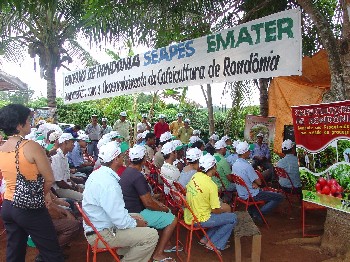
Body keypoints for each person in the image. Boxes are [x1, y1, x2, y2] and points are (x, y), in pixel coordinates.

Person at [0, 104, 64, 262]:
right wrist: (41, 195)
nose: (31, 123)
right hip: (28, 207)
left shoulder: (2, 148)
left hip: (8, 206)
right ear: (19, 125)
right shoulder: (31, 146)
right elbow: (49, 179)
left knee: (14, 253)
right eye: (28, 120)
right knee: (52, 253)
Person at [83, 141, 158, 262]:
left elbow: (117, 215)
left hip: (98, 225)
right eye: (122, 155)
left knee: (138, 217)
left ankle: (126, 253)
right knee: (151, 235)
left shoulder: (97, 174)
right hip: (102, 233)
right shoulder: (109, 184)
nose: (125, 157)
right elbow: (121, 221)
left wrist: (135, 221)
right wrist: (136, 224)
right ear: (116, 159)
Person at [119, 145, 178, 262]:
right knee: (172, 219)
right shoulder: (137, 176)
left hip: (128, 209)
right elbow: (148, 203)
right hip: (136, 213)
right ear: (144, 160)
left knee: (166, 211)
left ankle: (167, 243)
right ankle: (159, 253)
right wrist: (163, 208)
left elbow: (147, 199)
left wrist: (159, 205)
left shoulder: (127, 172)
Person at [185, 154, 237, 252]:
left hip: (190, 215)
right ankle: (214, 243)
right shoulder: (211, 185)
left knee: (224, 217)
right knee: (233, 218)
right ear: (213, 167)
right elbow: (215, 210)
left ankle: (205, 239)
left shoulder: (195, 175)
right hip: (199, 219)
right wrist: (223, 210)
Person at [232, 141, 283, 224]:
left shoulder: (235, 164)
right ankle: (260, 213)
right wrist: (254, 183)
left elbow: (244, 179)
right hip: (252, 194)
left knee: (264, 193)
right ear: (244, 153)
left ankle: (255, 213)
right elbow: (259, 182)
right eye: (248, 150)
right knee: (279, 197)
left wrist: (253, 183)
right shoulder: (247, 166)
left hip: (242, 192)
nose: (250, 152)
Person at [51, 133, 83, 201]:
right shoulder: (56, 157)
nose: (73, 145)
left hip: (66, 185)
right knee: (82, 197)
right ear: (66, 142)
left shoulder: (64, 156)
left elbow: (67, 177)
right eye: (72, 142)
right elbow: (59, 183)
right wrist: (74, 189)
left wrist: (76, 185)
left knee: (84, 188)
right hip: (58, 189)